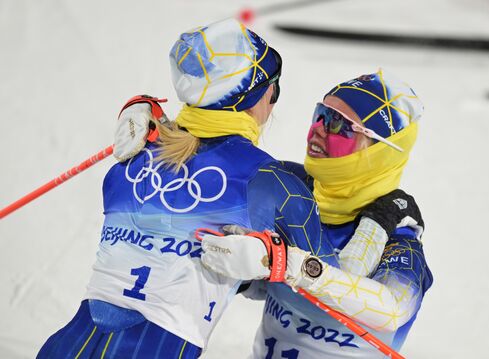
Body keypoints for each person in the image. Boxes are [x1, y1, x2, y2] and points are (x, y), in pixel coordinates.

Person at [37, 18, 337, 359]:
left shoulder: (129, 163)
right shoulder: (274, 184)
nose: (275, 100)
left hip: (66, 346)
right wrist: (375, 222)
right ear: (255, 97)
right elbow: (325, 303)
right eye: (274, 88)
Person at [200, 70, 433, 358]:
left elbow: (392, 309)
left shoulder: (398, 233)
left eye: (339, 124)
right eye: (319, 114)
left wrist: (289, 265)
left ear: (380, 151)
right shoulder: (296, 195)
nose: (318, 129)